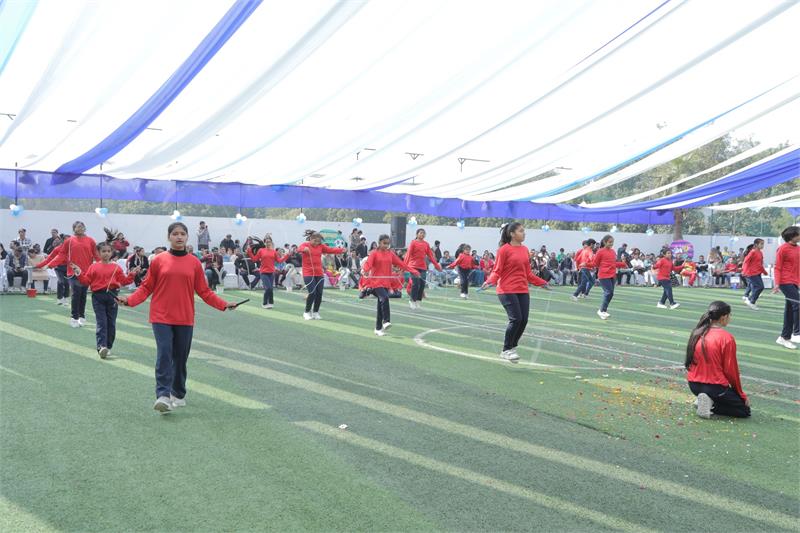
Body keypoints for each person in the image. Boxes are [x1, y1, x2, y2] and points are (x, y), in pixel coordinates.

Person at [117, 222, 237, 414]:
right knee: (164, 353)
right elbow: (146, 287)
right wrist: (129, 300)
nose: (179, 237)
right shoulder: (158, 260)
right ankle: (162, 395)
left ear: (187, 237)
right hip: (161, 316)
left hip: (184, 317)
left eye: (182, 234)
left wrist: (224, 304)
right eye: (175, 234)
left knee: (180, 358)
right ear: (169, 237)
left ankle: (178, 392)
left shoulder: (194, 263)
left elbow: (204, 291)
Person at [482, 222, 549, 362]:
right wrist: (489, 281)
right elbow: (497, 271)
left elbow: (528, 273)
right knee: (516, 319)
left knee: (523, 320)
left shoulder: (524, 249)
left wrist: (542, 282)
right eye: (521, 231)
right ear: (512, 234)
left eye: (524, 231)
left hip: (522, 289)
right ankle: (506, 349)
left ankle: (512, 347)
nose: (524, 233)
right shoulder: (504, 250)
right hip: (506, 289)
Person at [72, 242, 139, 359]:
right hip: (98, 297)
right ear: (98, 253)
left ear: (112, 252)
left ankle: (108, 346)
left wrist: (132, 274)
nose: (106, 253)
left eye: (108, 251)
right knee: (102, 322)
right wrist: (78, 272)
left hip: (113, 297)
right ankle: (101, 347)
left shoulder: (116, 267)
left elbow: (124, 281)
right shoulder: (93, 267)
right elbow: (86, 281)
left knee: (111, 323)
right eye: (103, 251)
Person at [685, 301, 750, 418]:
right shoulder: (726, 338)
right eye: (730, 315)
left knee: (724, 397)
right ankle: (711, 404)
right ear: (724, 317)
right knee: (744, 410)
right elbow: (731, 371)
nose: (730, 318)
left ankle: (704, 400)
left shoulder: (697, 332)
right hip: (715, 387)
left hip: (694, 385)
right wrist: (741, 394)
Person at [362, 234, 419, 336]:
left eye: (388, 244)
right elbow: (368, 264)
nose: (386, 245)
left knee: (380, 305)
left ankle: (378, 329)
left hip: (386, 282)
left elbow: (401, 264)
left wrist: (413, 271)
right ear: (379, 242)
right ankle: (386, 321)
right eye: (384, 243)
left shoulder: (390, 254)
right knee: (385, 298)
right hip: (376, 282)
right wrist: (365, 270)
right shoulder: (374, 253)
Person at [49, 221, 100, 327]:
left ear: (85, 228)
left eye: (82, 226)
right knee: (76, 294)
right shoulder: (69, 241)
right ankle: (74, 318)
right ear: (74, 229)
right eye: (78, 227)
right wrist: (51, 264)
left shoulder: (90, 240)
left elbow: (96, 255)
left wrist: (104, 264)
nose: (80, 228)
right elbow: (61, 255)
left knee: (83, 295)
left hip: (87, 273)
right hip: (73, 272)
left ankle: (82, 316)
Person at [297, 230, 345, 320]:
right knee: (312, 293)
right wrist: (304, 249)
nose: (317, 243)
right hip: (308, 273)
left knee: (319, 293)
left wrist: (341, 250)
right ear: (310, 239)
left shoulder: (321, 246)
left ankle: (315, 312)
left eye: (318, 241)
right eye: (315, 241)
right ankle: (306, 312)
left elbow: (330, 250)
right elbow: (299, 249)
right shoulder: (305, 245)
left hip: (319, 273)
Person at [773, 226, 800, 349]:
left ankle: (784, 338)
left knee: (789, 310)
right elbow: (777, 267)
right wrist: (777, 283)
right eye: (798, 234)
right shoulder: (783, 249)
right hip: (785, 281)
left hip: (794, 281)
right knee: (797, 304)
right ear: (792, 236)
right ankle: (797, 333)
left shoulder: (798, 248)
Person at [588, 235, 627, 320]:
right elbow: (595, 264)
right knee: (608, 292)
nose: (611, 244)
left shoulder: (613, 251)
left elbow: (614, 263)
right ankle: (602, 310)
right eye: (610, 242)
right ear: (605, 242)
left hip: (612, 275)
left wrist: (623, 264)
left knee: (611, 293)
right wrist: (586, 264)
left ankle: (603, 311)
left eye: (612, 242)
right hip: (603, 275)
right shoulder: (600, 251)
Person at [404, 228, 441, 309]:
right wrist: (404, 266)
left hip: (423, 267)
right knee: (415, 284)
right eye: (420, 233)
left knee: (422, 284)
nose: (422, 234)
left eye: (424, 233)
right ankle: (412, 300)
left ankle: (418, 300)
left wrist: (437, 266)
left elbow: (430, 256)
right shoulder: (413, 243)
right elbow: (408, 255)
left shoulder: (426, 244)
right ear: (417, 234)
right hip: (413, 267)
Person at [247, 237, 287, 309]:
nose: (268, 243)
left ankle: (271, 303)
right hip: (263, 272)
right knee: (268, 288)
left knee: (270, 289)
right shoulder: (261, 250)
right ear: (264, 243)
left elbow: (279, 261)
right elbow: (254, 259)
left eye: (269, 242)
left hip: (271, 273)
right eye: (267, 242)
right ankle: (264, 303)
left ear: (271, 243)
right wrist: (249, 252)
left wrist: (287, 255)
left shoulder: (274, 252)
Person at [741, 239, 767, 310]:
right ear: (756, 244)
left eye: (763, 244)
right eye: (761, 244)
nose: (763, 245)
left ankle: (750, 300)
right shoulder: (752, 252)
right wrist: (744, 271)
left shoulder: (760, 253)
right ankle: (751, 301)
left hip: (757, 273)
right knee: (759, 287)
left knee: (760, 287)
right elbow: (746, 261)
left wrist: (764, 271)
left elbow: (760, 264)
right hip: (750, 273)